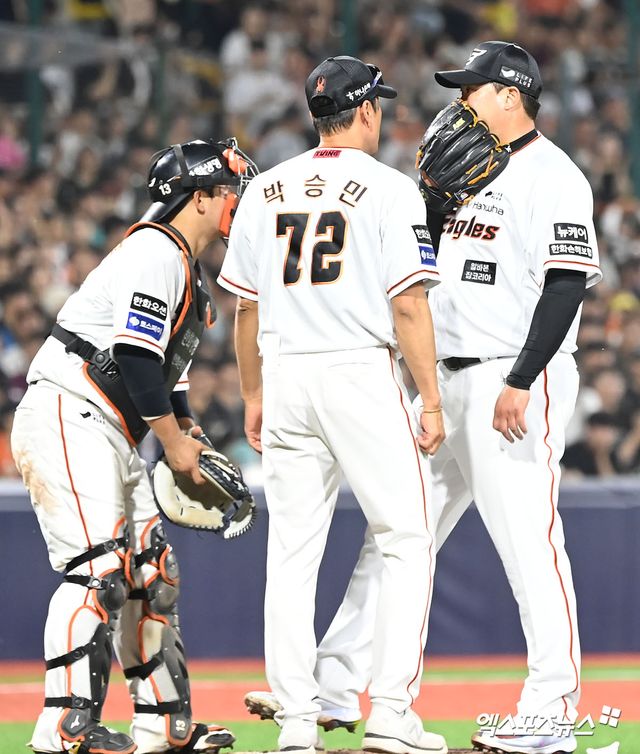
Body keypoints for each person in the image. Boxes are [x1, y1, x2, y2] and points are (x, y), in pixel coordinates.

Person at [244, 42, 602, 754]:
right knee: (395, 537)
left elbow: (566, 285)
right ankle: (336, 683)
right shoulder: (466, 170)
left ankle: (550, 713)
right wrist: (435, 208)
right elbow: (421, 272)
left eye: (472, 89)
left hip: (509, 378)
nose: (460, 101)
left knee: (529, 545)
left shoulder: (555, 175)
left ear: (511, 94)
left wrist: (522, 380)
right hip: (445, 380)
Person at [218, 55, 447, 754]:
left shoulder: (265, 189)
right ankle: (392, 714)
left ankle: (295, 722)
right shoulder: (389, 187)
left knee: (291, 555)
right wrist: (431, 398)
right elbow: (408, 304)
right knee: (406, 540)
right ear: (368, 111)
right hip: (358, 373)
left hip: (286, 374)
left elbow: (245, 309)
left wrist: (253, 393)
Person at [11, 138, 256, 754]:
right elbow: (134, 356)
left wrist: (185, 429)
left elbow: (165, 378)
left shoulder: (184, 269)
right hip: (69, 410)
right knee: (99, 573)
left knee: (152, 575)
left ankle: (162, 724)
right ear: (199, 198)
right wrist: (172, 443)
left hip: (110, 427)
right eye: (228, 190)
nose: (236, 201)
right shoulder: (156, 250)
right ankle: (63, 726)